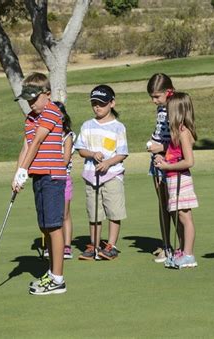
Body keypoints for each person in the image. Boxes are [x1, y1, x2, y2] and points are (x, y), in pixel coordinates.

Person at [12, 72, 67, 295]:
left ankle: (58, 279)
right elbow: (26, 146)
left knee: (54, 226)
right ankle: (52, 272)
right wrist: (18, 173)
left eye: (34, 99)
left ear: (47, 94)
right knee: (45, 226)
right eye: (28, 99)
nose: (31, 103)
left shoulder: (52, 111)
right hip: (38, 176)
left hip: (53, 176)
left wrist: (24, 169)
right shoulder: (30, 119)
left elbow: (37, 142)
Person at [75, 85, 128, 260]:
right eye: (94, 103)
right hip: (92, 176)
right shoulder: (87, 125)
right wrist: (92, 154)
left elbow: (122, 153)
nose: (98, 107)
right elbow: (81, 149)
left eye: (102, 104)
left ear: (112, 103)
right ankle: (94, 245)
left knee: (114, 211)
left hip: (112, 175)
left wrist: (107, 163)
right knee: (94, 213)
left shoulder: (118, 127)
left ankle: (111, 246)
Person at [154, 92, 199, 269]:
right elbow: (175, 156)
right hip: (173, 178)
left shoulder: (183, 132)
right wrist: (163, 160)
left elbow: (189, 161)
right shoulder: (176, 132)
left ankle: (188, 254)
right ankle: (183, 251)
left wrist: (166, 167)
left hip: (181, 179)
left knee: (185, 217)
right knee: (180, 216)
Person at [146, 73, 178, 263]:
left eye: (157, 96)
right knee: (162, 205)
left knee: (174, 205)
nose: (154, 100)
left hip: (171, 161)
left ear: (168, 91)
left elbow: (180, 140)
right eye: (152, 96)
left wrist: (162, 148)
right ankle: (166, 245)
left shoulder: (176, 108)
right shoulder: (161, 108)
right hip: (157, 161)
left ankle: (181, 247)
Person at [44, 101, 75, 260]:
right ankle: (52, 246)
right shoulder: (46, 134)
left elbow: (65, 160)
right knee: (50, 214)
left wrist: (49, 162)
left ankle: (67, 246)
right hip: (48, 178)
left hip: (63, 178)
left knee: (64, 214)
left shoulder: (67, 136)